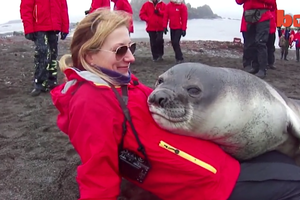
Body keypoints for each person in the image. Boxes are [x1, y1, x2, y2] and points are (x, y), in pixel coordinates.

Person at [51, 9, 300, 200]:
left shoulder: (120, 83)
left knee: (287, 165)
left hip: (220, 164)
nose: (131, 57)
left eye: (131, 47)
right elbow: (97, 173)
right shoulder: (91, 102)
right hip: (210, 185)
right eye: (119, 51)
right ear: (89, 56)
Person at [20, 0, 70, 96]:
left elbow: (63, 8)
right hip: (38, 26)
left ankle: (52, 81)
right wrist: (28, 28)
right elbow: (26, 8)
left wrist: (64, 27)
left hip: (54, 26)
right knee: (43, 52)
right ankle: (39, 83)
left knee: (53, 53)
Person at [236, 0, 275, 79]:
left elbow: (272, 3)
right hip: (249, 16)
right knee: (250, 43)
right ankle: (253, 66)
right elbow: (238, 1)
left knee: (260, 42)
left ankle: (262, 69)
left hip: (263, 15)